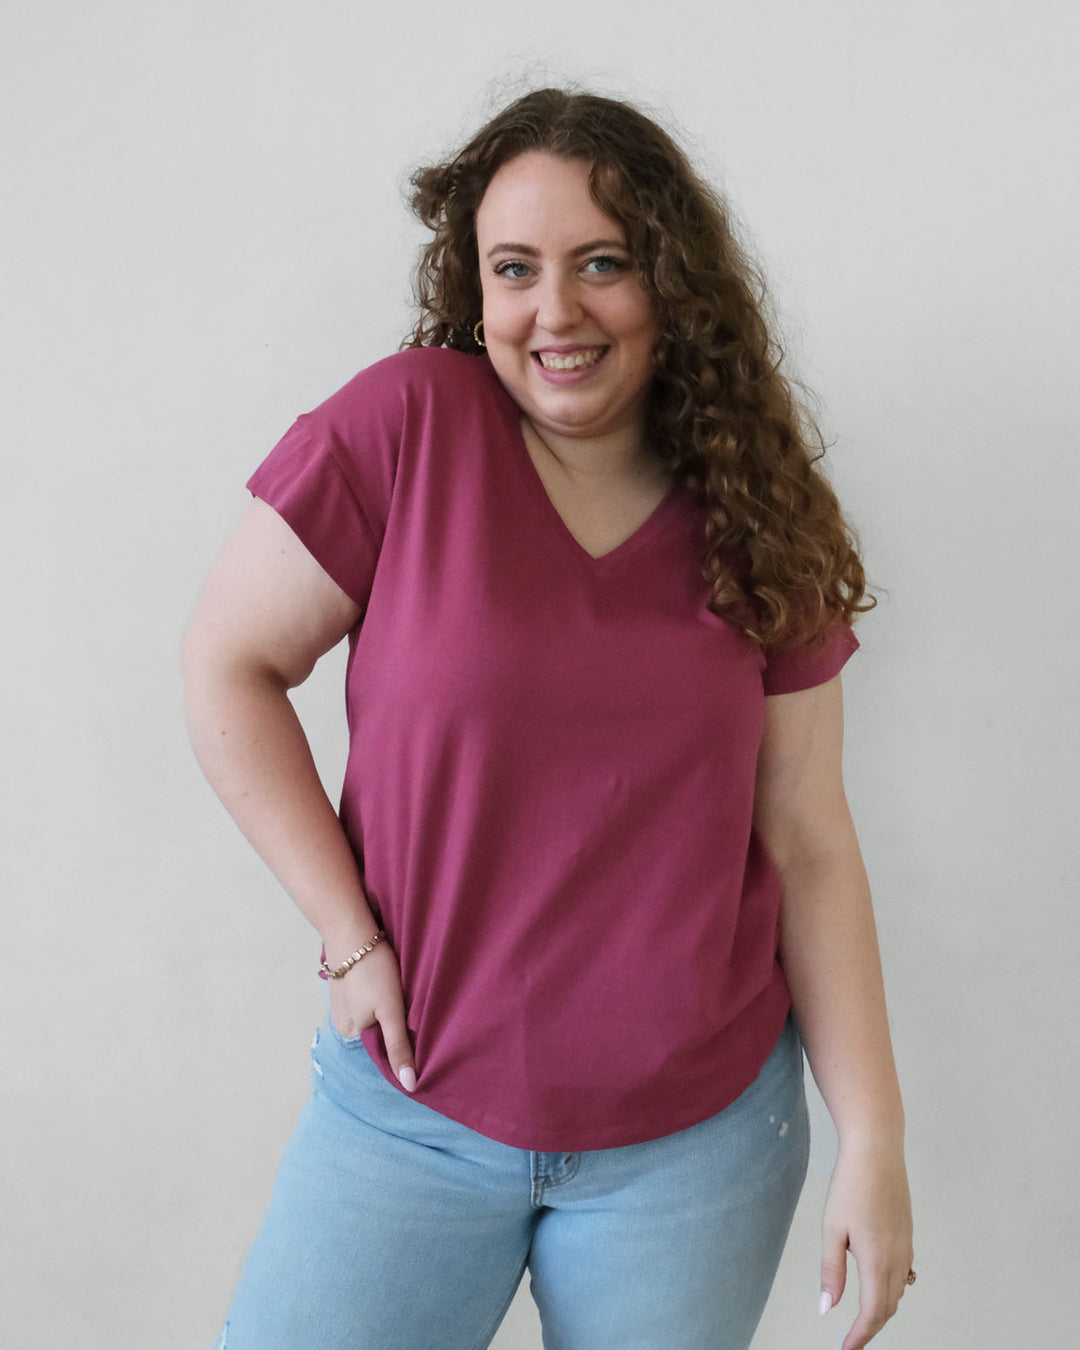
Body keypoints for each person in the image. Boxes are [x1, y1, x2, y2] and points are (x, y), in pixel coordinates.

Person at [183, 87, 914, 1350]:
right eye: (515, 268)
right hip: (409, 1112)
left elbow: (807, 837)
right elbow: (225, 666)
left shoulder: (756, 503)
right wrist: (349, 938)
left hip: (695, 1153)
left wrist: (877, 1140)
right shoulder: (405, 429)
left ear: (670, 280)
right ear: (475, 288)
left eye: (602, 264)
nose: (556, 311)